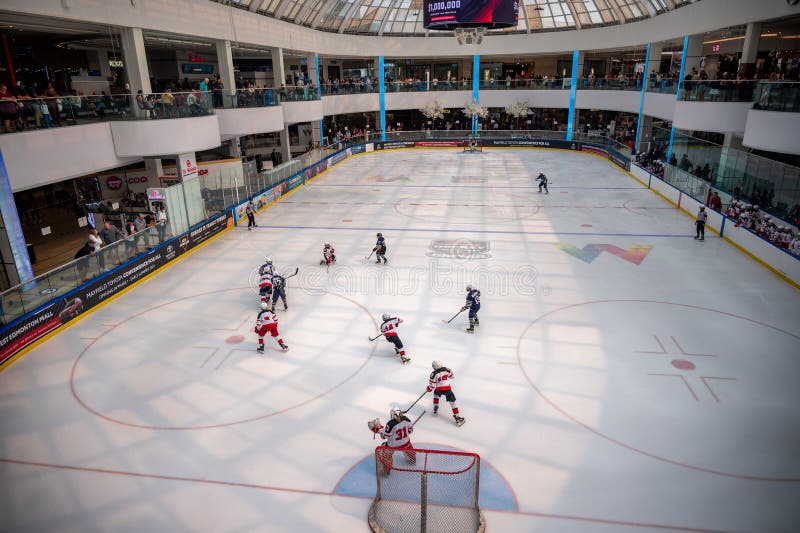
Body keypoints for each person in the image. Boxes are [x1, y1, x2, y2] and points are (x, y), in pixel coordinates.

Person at [371, 408, 415, 476]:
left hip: (393, 445)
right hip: (405, 443)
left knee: (386, 454)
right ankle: (412, 459)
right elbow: (410, 430)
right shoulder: (406, 419)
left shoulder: (390, 423)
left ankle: (387, 470)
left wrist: (378, 429)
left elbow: (385, 436)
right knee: (410, 450)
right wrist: (405, 432)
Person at [428, 360, 465, 426]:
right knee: (452, 403)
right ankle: (457, 416)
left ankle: (435, 406)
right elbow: (452, 376)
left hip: (439, 389)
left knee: (436, 394)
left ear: (434, 367)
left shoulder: (433, 374)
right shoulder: (446, 369)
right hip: (447, 389)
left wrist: (429, 388)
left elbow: (432, 385)